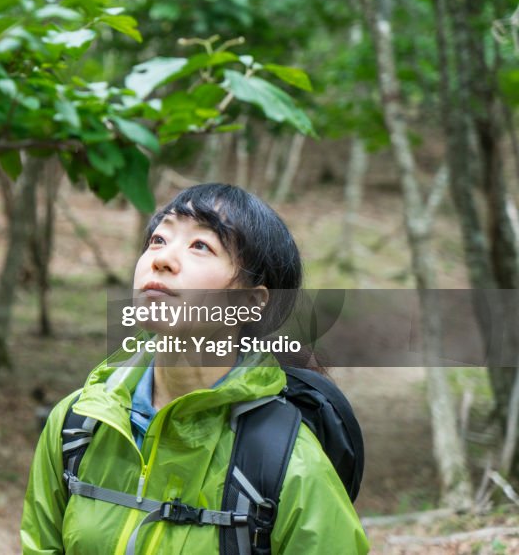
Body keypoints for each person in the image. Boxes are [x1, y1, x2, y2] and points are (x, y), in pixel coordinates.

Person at [20, 183, 369, 554]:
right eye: (158, 239)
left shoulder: (289, 461)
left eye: (200, 245)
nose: (162, 259)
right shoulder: (78, 424)